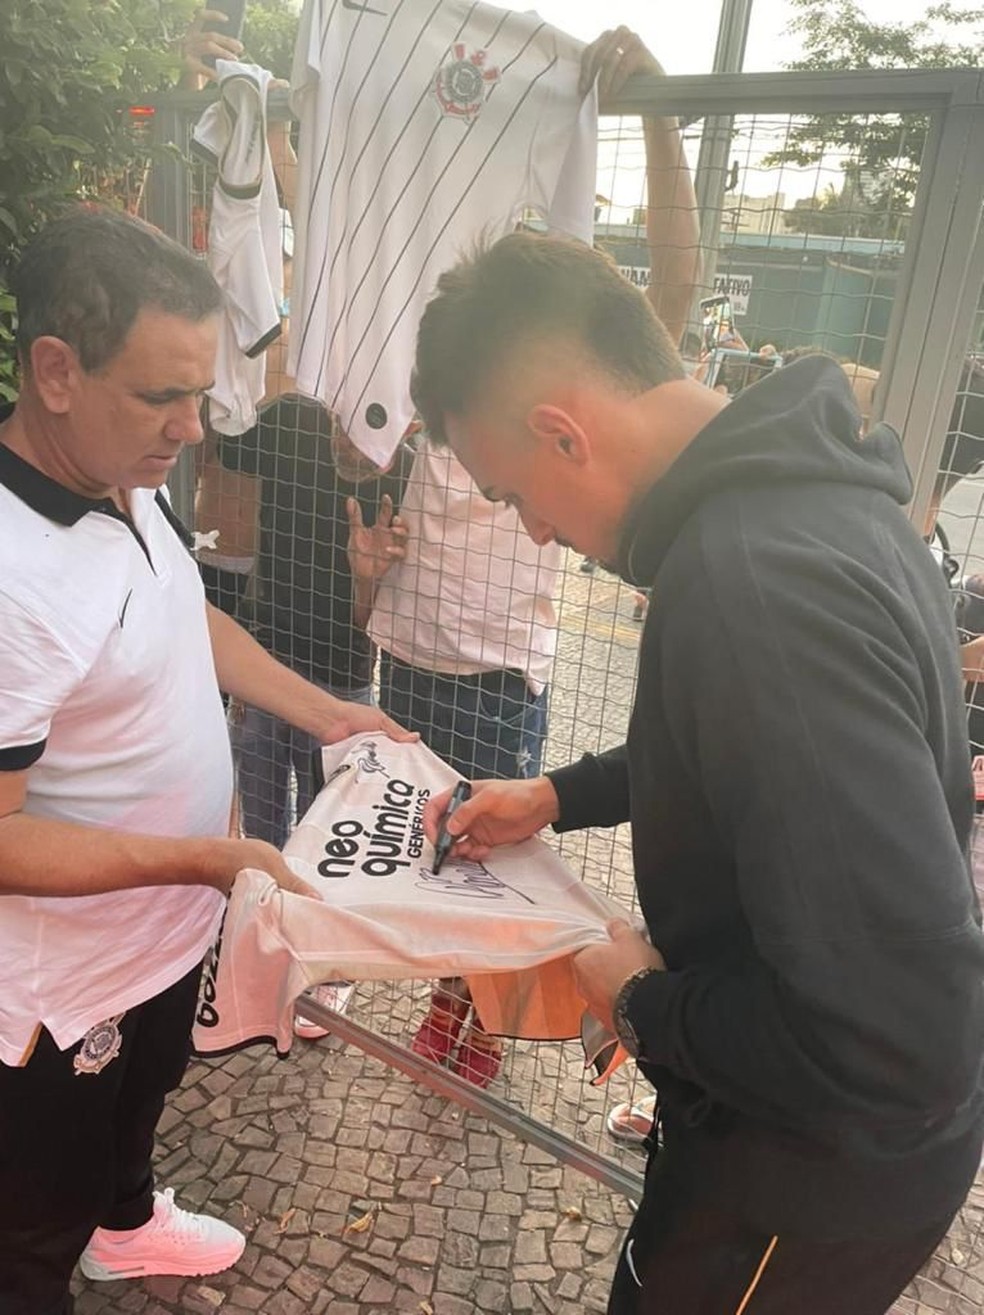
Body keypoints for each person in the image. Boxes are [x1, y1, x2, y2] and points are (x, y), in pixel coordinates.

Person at [413, 231, 984, 1314]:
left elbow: (904, 1040)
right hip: (817, 1156)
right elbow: (763, 748)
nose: (534, 533)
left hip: (797, 1185)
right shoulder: (820, 500)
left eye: (513, 493)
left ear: (562, 433)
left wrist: (640, 1000)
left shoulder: (751, 587)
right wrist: (558, 796)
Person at [0, 208, 411, 1315]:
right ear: (55, 372)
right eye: (161, 395)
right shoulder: (10, 576)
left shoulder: (123, 476)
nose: (192, 428)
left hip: (163, 925)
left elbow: (190, 622)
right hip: (59, 984)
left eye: (199, 390)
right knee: (28, 1226)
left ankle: (127, 1226)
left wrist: (333, 714)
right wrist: (203, 855)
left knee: (142, 1102)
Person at [367, 26, 701, 1086]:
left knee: (496, 874)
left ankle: (482, 1013)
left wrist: (655, 118)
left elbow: (675, 292)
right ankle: (447, 1003)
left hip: (504, 671)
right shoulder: (435, 390)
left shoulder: (582, 394)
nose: (533, 521)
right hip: (412, 661)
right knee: (437, 858)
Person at [216, 395, 413, 850]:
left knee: (323, 833)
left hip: (343, 672)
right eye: (346, 423)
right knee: (261, 829)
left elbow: (389, 614)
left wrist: (369, 579)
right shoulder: (291, 419)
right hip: (265, 656)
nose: (353, 444)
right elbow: (227, 443)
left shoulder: (409, 472)